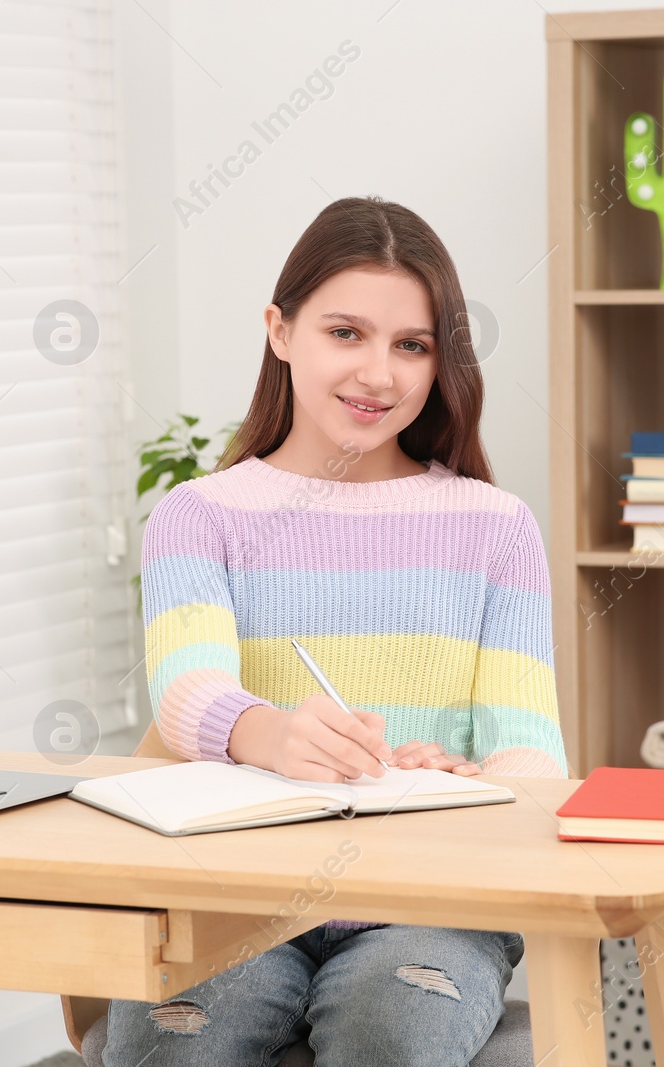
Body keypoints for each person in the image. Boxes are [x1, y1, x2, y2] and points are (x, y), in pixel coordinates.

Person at [104, 195, 568, 1067]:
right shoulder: (200, 517)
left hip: (431, 903)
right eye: (345, 333)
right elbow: (186, 692)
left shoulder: (496, 527)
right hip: (235, 896)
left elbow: (532, 754)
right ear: (281, 332)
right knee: (175, 1048)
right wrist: (273, 733)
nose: (378, 374)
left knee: (388, 1035)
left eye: (411, 345)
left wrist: (469, 781)